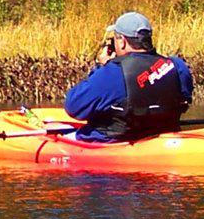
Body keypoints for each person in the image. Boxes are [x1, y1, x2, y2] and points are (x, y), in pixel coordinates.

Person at [61, 11, 193, 142]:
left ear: (122, 41)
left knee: (64, 138)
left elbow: (73, 107)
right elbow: (184, 99)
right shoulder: (176, 65)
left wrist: (102, 67)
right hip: (162, 136)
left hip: (116, 141)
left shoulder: (112, 73)